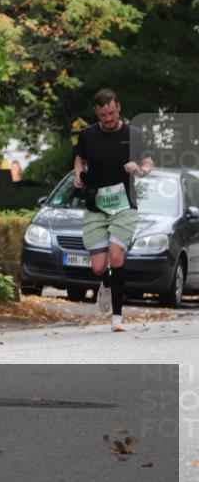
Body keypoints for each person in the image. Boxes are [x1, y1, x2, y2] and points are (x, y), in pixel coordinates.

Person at [73, 89, 153, 332]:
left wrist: (139, 170)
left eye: (111, 113)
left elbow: (148, 161)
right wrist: (78, 174)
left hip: (124, 205)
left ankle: (117, 318)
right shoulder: (87, 135)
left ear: (118, 107)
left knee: (116, 256)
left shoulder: (134, 134)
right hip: (97, 204)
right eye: (103, 115)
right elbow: (79, 159)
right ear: (96, 113)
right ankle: (106, 284)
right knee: (98, 267)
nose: (108, 119)